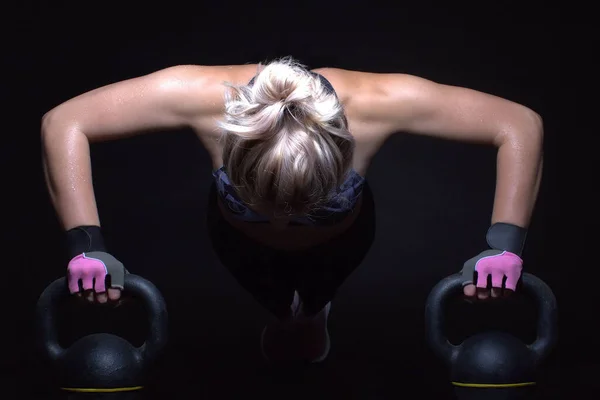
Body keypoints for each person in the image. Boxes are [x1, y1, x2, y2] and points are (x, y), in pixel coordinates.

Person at [41, 57, 543, 363]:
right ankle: (291, 316)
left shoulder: (381, 102)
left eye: (309, 205)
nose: (282, 219)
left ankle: (314, 308)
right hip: (239, 246)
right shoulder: (200, 96)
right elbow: (65, 122)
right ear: (232, 147)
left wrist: (504, 245)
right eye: (261, 202)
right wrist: (86, 246)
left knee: (306, 326)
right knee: (285, 326)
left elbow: (518, 125)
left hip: (341, 246)